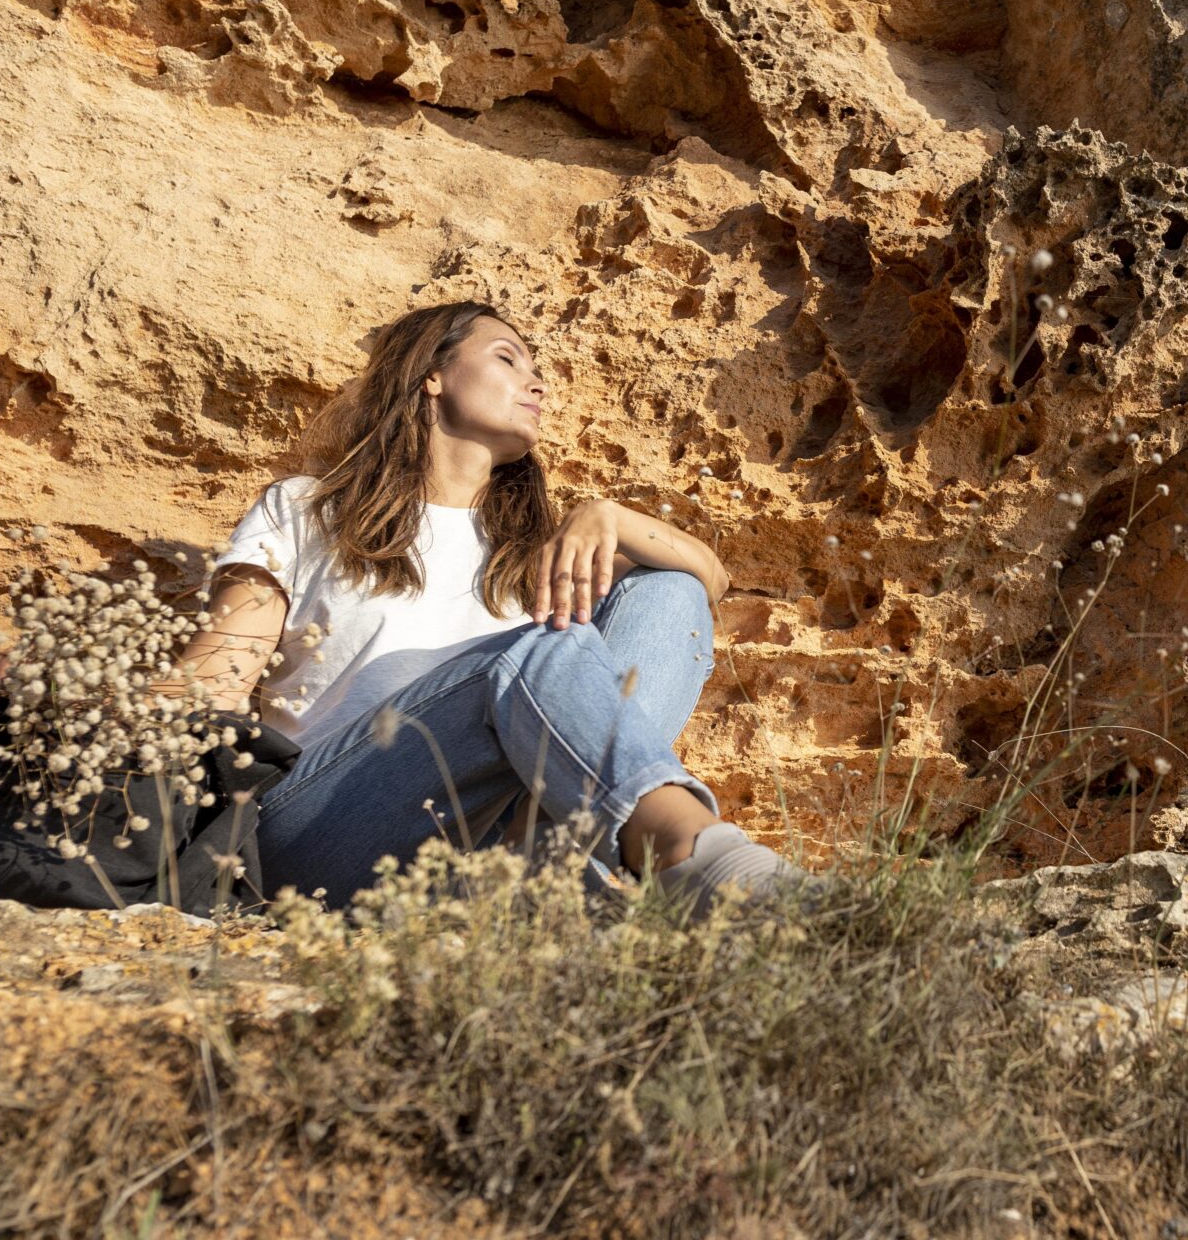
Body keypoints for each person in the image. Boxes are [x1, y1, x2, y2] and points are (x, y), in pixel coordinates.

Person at [168, 299, 807, 918]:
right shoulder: (307, 511)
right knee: (539, 649)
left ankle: (549, 857)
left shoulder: (543, 552)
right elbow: (213, 682)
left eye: (538, 374)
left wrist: (606, 516)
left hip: (482, 848)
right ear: (432, 376)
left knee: (668, 588)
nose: (536, 385)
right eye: (509, 359)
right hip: (327, 834)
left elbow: (708, 581)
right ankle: (690, 854)